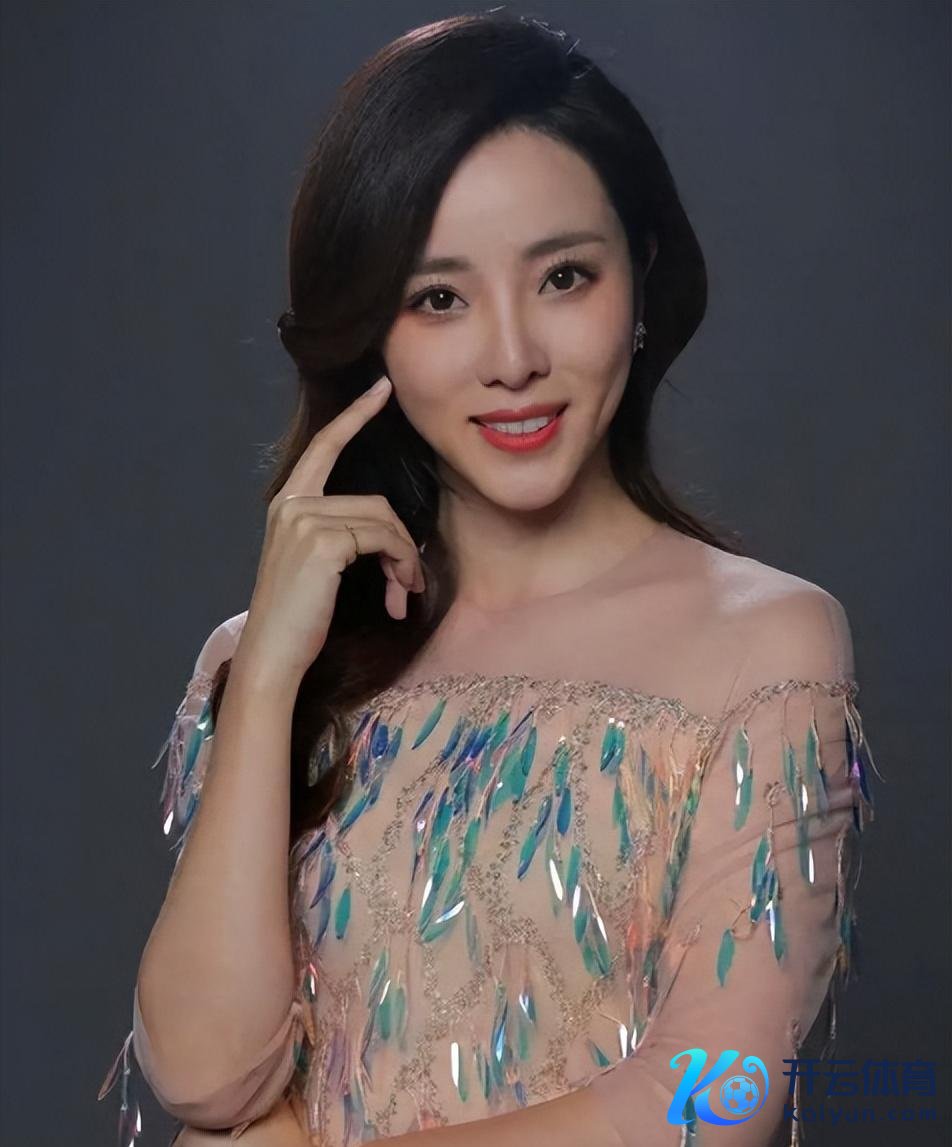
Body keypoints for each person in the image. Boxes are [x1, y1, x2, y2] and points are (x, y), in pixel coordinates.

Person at [97, 11, 879, 1147]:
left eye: (563, 276)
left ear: (641, 277)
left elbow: (715, 1097)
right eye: (438, 298)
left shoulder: (768, 643)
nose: (513, 357)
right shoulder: (270, 659)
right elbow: (205, 1078)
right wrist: (264, 678)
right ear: (372, 333)